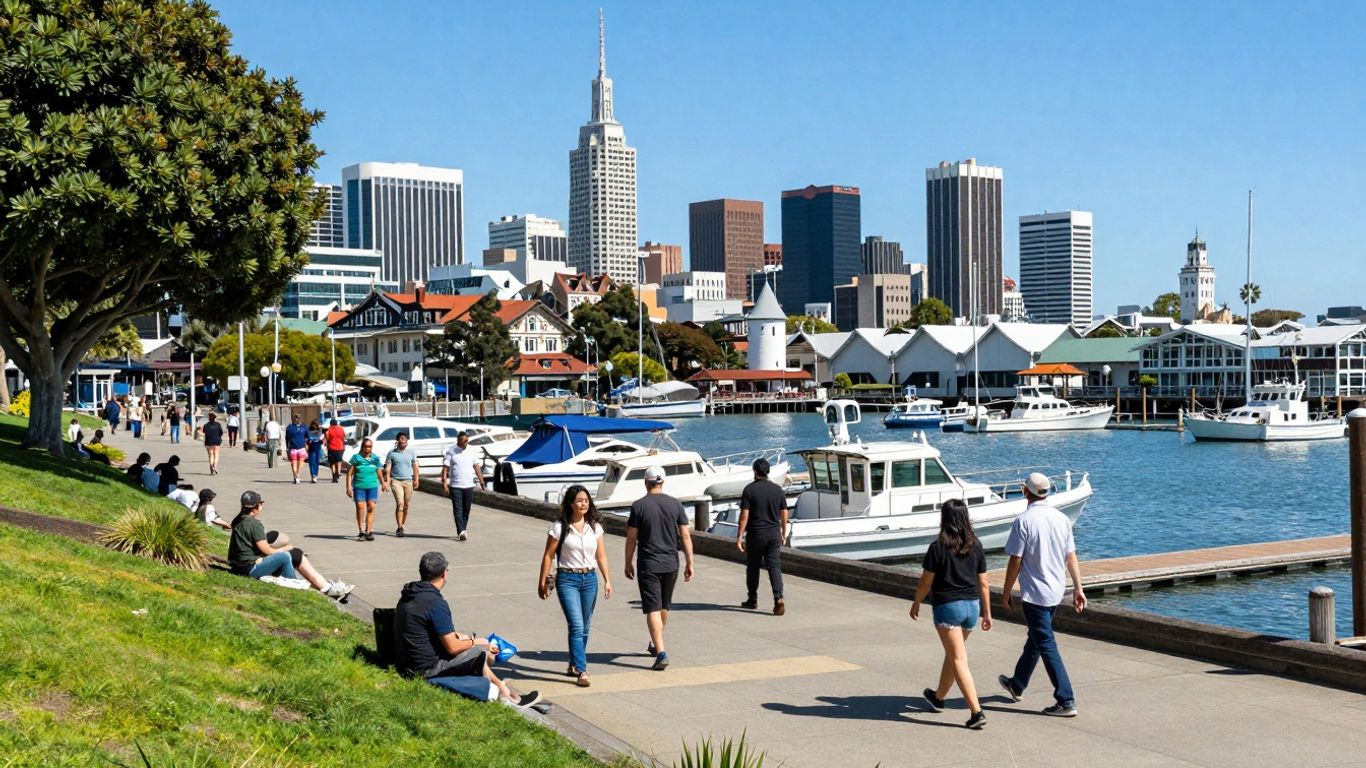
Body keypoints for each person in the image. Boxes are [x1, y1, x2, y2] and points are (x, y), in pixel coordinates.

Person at [394, 551, 540, 707]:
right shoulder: (435, 603)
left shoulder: (411, 593)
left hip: (407, 663)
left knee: (475, 652)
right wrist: (476, 641)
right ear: (444, 574)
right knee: (478, 653)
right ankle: (505, 695)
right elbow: (453, 648)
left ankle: (504, 691)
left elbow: (425, 627)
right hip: (425, 668)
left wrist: (459, 636)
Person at [998, 472, 1086, 718]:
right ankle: (1017, 684)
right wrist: (1078, 587)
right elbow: (1071, 556)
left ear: (1026, 491)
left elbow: (1015, 559)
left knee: (1045, 643)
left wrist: (1006, 592)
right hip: (1056, 590)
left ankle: (1066, 699)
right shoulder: (1062, 519)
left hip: (1035, 593)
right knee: (1036, 638)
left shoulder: (1023, 521)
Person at [910, 499, 992, 730]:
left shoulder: (937, 547)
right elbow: (983, 583)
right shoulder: (976, 545)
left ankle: (976, 712)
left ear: (944, 519)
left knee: (958, 659)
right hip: (971, 608)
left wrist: (916, 602)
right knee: (952, 655)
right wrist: (987, 613)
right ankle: (938, 697)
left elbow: (926, 581)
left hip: (948, 607)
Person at [537, 485, 612, 687]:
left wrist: (607, 580)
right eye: (579, 500)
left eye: (586, 500)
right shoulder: (559, 527)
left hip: (590, 579)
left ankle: (573, 664)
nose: (583, 504)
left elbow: (601, 556)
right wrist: (542, 581)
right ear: (570, 503)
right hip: (567, 579)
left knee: (585, 626)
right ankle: (582, 669)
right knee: (577, 625)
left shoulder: (595, 527)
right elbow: (548, 555)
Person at [624, 466, 695, 671]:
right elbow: (685, 535)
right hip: (671, 562)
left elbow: (631, 537)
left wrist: (628, 561)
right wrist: (690, 562)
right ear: (662, 482)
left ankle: (661, 650)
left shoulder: (639, 506)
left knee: (653, 608)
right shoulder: (676, 504)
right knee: (664, 606)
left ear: (646, 483)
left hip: (649, 563)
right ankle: (657, 644)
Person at [227, 490, 354, 599]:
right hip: (249, 569)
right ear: (256, 507)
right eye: (260, 503)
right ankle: (301, 587)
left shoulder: (238, 520)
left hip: (239, 566)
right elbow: (267, 551)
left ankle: (325, 588)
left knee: (295, 554)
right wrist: (286, 548)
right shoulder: (254, 524)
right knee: (287, 556)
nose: (262, 505)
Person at [736, 457, 789, 616]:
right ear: (768, 471)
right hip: (773, 534)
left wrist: (739, 537)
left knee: (753, 567)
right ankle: (778, 597)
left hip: (756, 534)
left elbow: (744, 515)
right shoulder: (777, 489)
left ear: (755, 472)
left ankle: (752, 599)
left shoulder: (749, 490)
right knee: (774, 567)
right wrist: (783, 532)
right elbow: (784, 512)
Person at [440, 432, 484, 541]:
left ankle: (463, 529)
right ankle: (460, 531)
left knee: (466, 509)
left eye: (467, 441)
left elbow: (476, 466)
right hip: (455, 486)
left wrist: (482, 481)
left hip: (469, 485)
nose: (466, 443)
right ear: (458, 441)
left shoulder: (471, 450)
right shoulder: (451, 451)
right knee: (458, 509)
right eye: (464, 441)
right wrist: (445, 485)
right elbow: (445, 469)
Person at [347, 437, 385, 540]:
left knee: (371, 507)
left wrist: (383, 483)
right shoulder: (356, 458)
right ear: (363, 447)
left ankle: (369, 531)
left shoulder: (375, 458)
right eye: (366, 446)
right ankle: (361, 531)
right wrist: (349, 487)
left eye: (370, 446)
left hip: (372, 485)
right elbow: (350, 474)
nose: (368, 448)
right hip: (359, 486)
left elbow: (379, 471)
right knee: (360, 507)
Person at [384, 432, 419, 537]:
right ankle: (399, 527)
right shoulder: (392, 453)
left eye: (404, 438)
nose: (403, 439)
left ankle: (402, 524)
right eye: (401, 438)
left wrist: (416, 479)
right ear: (397, 441)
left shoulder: (411, 453)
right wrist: (386, 479)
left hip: (408, 481)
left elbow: (415, 467)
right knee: (400, 504)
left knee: (406, 505)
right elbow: (388, 467)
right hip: (396, 481)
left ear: (407, 442)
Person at [325, 418, 347, 483]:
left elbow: (327, 439)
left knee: (332, 463)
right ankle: (338, 472)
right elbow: (344, 437)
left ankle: (334, 476)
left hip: (331, 448)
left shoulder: (328, 430)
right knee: (339, 461)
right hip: (340, 447)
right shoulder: (341, 429)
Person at [305, 419, 324, 483]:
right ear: (313, 424)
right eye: (315, 425)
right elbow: (306, 439)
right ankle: (313, 475)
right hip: (311, 448)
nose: (316, 426)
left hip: (318, 447)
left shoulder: (320, 430)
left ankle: (315, 475)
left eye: (317, 425)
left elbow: (321, 440)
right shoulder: (309, 430)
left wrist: (321, 439)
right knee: (312, 462)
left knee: (316, 462)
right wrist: (308, 442)